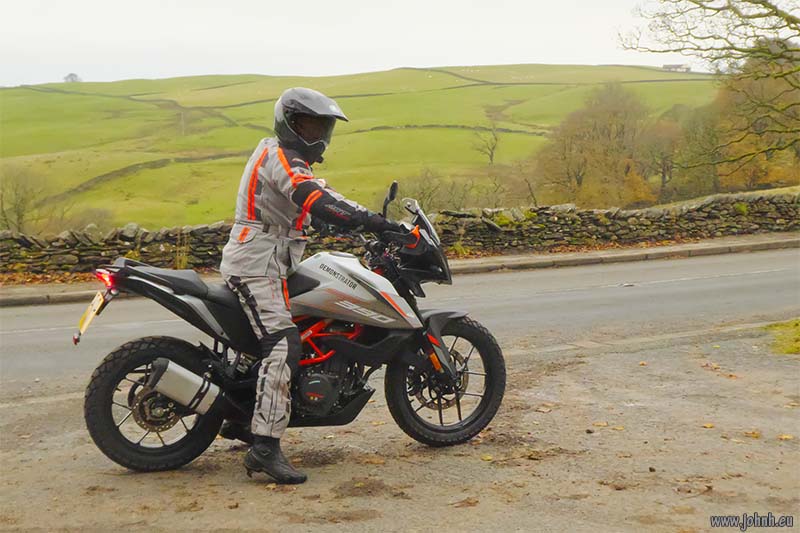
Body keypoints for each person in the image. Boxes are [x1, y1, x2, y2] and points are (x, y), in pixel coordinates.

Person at [218, 87, 405, 484]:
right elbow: (313, 197)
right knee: (283, 343)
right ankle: (265, 447)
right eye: (310, 125)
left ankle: (242, 417)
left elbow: (317, 198)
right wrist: (374, 223)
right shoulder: (282, 158)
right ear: (289, 123)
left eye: (322, 127)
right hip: (256, 266)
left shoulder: (285, 157)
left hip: (271, 262)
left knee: (296, 330)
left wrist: (359, 221)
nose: (318, 135)